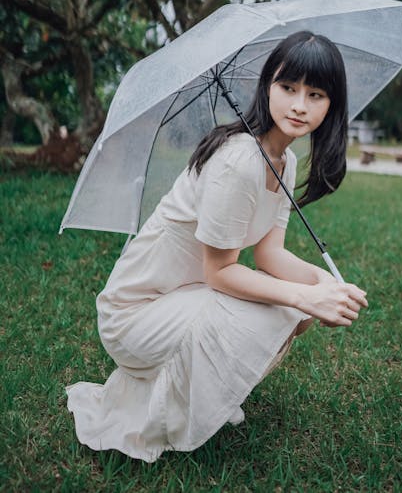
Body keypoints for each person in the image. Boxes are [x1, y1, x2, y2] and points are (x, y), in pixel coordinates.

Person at [66, 30, 368, 462]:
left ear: (331, 105)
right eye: (288, 88)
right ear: (267, 87)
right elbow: (220, 272)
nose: (299, 105)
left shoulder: (285, 159)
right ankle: (186, 398)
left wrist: (328, 286)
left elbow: (270, 255)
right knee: (283, 308)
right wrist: (305, 296)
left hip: (184, 297)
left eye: (316, 94)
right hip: (135, 313)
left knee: (292, 308)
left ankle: (202, 390)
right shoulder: (238, 161)